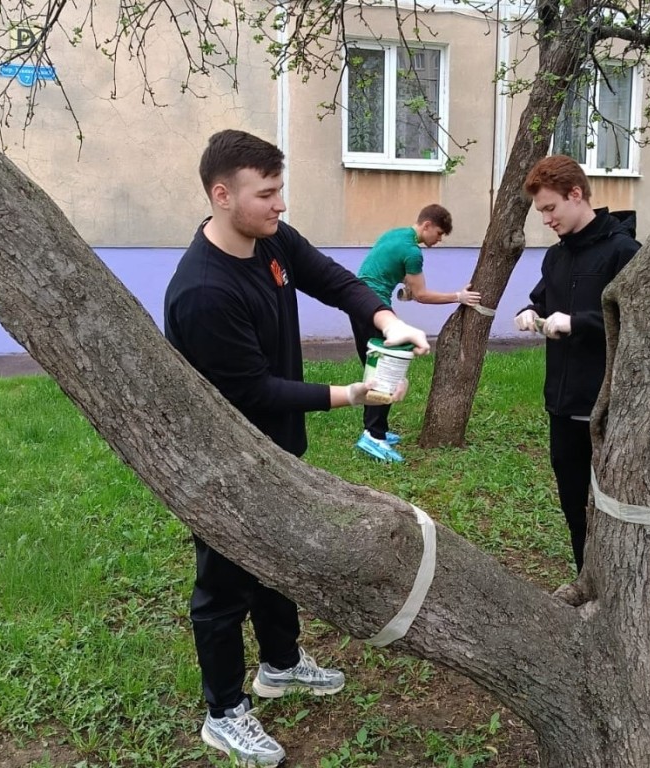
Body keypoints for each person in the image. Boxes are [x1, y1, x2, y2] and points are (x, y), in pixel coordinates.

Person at [164, 129, 429, 766]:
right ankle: (224, 711)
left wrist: (387, 319)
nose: (280, 205)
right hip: (224, 464)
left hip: (276, 448)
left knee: (278, 558)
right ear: (222, 195)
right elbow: (252, 390)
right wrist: (352, 394)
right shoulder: (204, 291)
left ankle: (280, 663)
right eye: (268, 193)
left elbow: (335, 280)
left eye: (281, 190)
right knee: (223, 588)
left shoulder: (271, 240)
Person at [513, 155, 639, 586]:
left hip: (607, 405)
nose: (546, 219)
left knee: (614, 506)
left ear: (576, 194)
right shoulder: (556, 257)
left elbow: (643, 324)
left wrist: (580, 322)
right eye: (540, 212)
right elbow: (544, 301)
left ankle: (621, 586)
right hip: (562, 404)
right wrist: (530, 312)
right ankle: (587, 581)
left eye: (550, 209)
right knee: (573, 502)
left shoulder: (624, 251)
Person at [350, 204, 480, 462]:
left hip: (358, 301)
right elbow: (421, 295)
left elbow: (393, 275)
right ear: (427, 225)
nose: (439, 239)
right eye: (440, 233)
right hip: (373, 307)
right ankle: (373, 437)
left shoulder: (396, 235)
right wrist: (459, 296)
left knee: (377, 367)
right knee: (386, 369)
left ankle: (377, 430)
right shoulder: (412, 251)